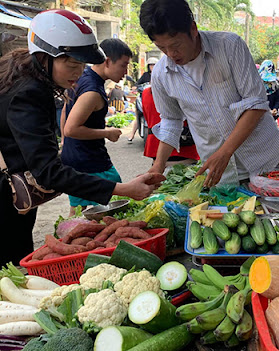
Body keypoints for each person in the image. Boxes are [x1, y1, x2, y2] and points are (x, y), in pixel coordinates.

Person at [0, 9, 162, 265]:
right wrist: (122, 189)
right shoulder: (28, 93)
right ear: (44, 57)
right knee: (10, 268)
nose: (77, 73)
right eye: (72, 64)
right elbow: (48, 172)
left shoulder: (23, 74)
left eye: (82, 65)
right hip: (4, 203)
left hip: (13, 197)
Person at [139, 0, 279, 187]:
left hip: (266, 160)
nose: (170, 54)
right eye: (162, 48)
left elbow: (255, 103)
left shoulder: (229, 46)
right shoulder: (161, 73)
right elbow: (171, 120)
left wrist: (225, 152)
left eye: (175, 45)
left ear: (193, 29)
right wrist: (158, 166)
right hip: (221, 175)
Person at [61, 38, 133, 216]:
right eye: (123, 65)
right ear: (108, 61)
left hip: (75, 155)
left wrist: (65, 142)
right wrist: (107, 133)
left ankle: (69, 237)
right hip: (89, 160)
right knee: (114, 199)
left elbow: (65, 110)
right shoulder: (93, 90)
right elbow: (71, 128)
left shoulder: (81, 77)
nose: (125, 72)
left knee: (79, 209)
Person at [142, 86, 200, 163]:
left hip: (155, 147)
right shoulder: (179, 91)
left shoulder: (146, 93)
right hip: (182, 148)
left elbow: (148, 118)